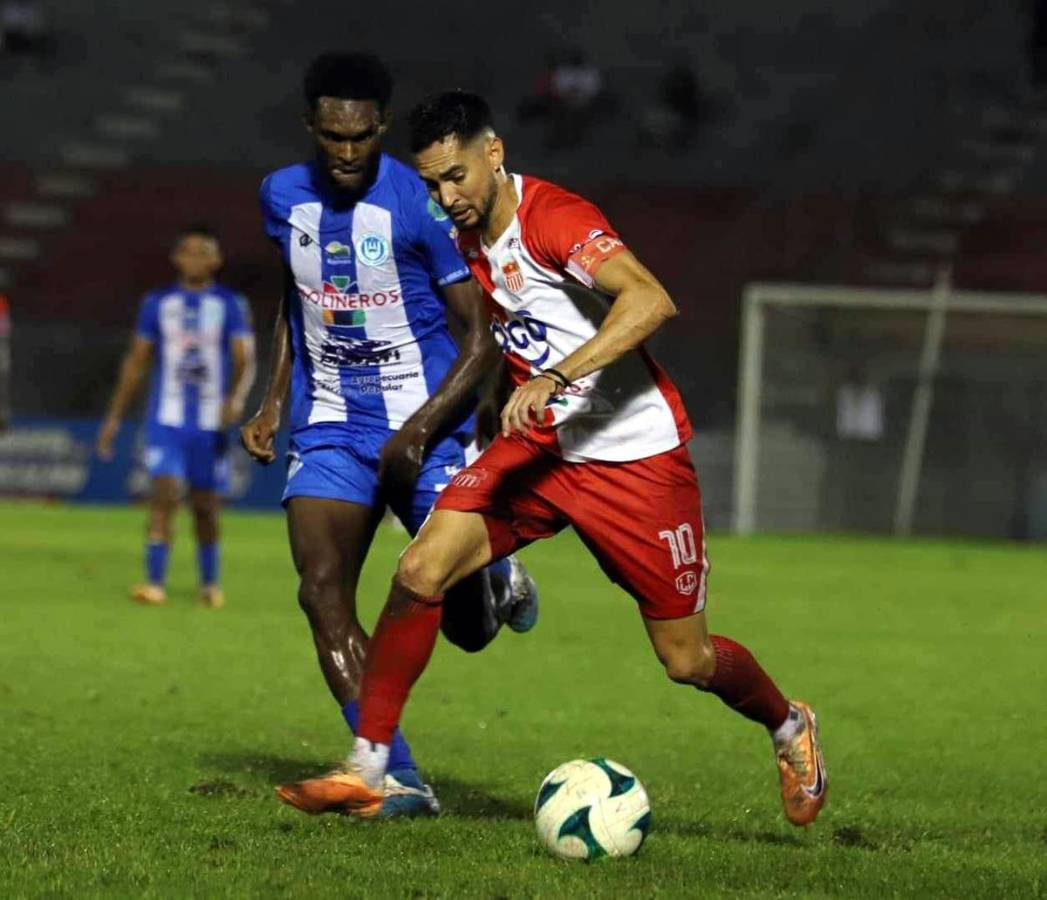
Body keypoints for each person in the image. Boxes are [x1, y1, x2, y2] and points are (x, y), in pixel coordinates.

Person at [277, 91, 829, 827]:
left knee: (686, 659)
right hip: (541, 450)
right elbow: (512, 329)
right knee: (419, 570)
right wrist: (499, 404)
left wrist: (556, 376)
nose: (446, 197)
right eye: (433, 183)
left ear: (493, 153)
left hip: (634, 460)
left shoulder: (554, 219)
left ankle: (788, 725)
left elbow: (650, 301)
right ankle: (372, 767)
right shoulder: (462, 234)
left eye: (456, 177)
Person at [240, 54, 539, 819]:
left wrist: (424, 428)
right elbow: (297, 295)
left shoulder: (421, 204)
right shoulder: (280, 196)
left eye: (362, 136)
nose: (347, 152)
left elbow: (480, 334)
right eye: (332, 136)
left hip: (425, 425)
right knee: (320, 590)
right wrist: (272, 399)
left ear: (382, 127)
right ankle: (393, 773)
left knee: (467, 629)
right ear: (311, 126)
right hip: (329, 425)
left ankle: (496, 579)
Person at [97, 225, 255, 609]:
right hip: (165, 420)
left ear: (217, 260)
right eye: (189, 251)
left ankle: (210, 584)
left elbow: (244, 359)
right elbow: (137, 362)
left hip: (209, 423)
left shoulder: (230, 304)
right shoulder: (158, 303)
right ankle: (155, 583)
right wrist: (114, 417)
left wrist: (235, 399)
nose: (196, 259)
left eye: (204, 252)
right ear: (176, 258)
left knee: (205, 505)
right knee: (164, 495)